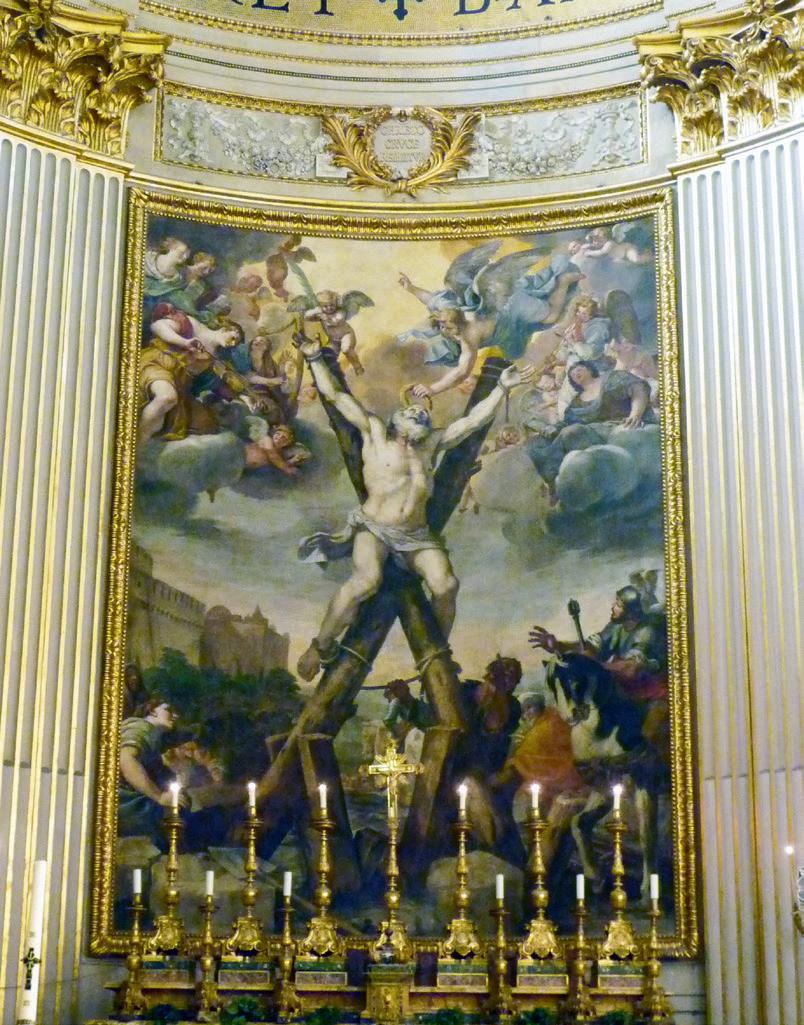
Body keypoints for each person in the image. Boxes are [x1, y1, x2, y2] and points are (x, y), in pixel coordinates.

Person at [294, 330, 535, 680]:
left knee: (446, 586)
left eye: (422, 412)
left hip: (416, 536)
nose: (418, 412)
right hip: (374, 528)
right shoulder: (374, 432)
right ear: (396, 419)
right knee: (366, 581)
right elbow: (334, 395)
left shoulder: (432, 443)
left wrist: (501, 388)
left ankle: (436, 655)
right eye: (411, 410)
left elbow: (473, 421)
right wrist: (315, 357)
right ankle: (320, 645)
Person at [526, 360, 655, 501]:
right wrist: (550, 428)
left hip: (620, 426)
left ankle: (556, 482)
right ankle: (555, 482)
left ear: (589, 369)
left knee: (571, 432)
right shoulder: (576, 402)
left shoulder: (612, 378)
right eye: (572, 374)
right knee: (536, 443)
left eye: (579, 368)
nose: (576, 373)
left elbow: (638, 389)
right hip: (592, 436)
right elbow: (566, 422)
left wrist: (635, 414)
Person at [529, 584, 667, 701]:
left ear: (631, 613)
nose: (613, 606)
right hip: (622, 689)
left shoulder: (646, 632)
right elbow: (590, 646)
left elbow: (631, 669)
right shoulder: (615, 627)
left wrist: (594, 664)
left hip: (648, 692)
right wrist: (559, 646)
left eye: (618, 604)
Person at [118, 699, 185, 841]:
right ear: (153, 711)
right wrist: (159, 797)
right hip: (124, 803)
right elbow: (126, 758)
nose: (175, 716)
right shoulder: (142, 728)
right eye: (169, 710)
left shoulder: (151, 735)